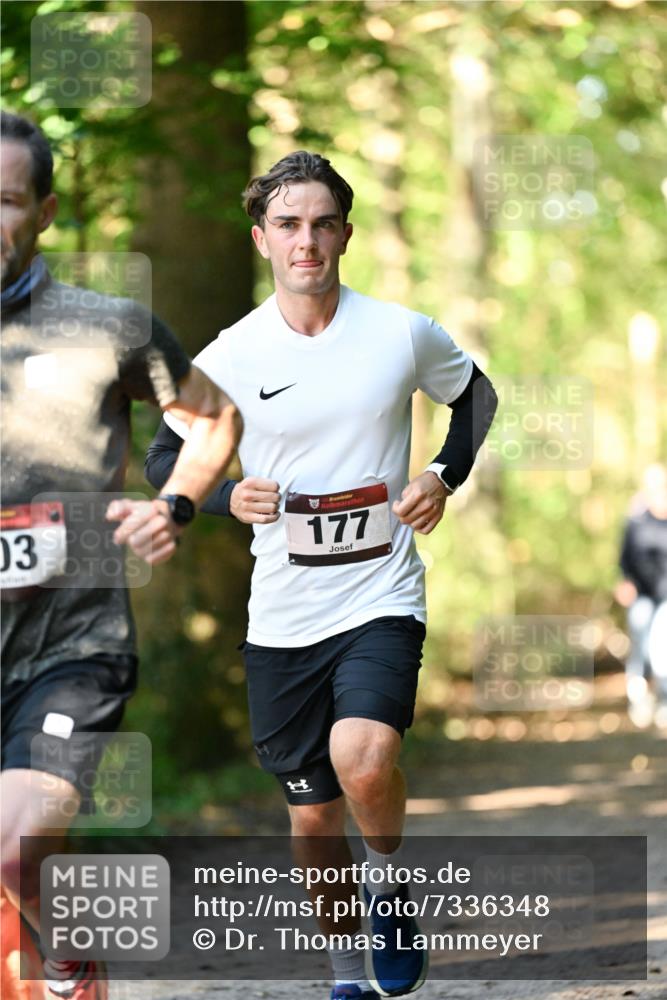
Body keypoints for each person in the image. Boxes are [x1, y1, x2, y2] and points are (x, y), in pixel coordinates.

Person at [146, 150, 497, 999]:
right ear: (262, 237)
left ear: (344, 233)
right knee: (311, 820)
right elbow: (165, 453)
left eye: (323, 223)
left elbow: (475, 396)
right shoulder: (229, 354)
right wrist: (228, 496)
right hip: (283, 616)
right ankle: (346, 977)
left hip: (380, 590)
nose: (307, 240)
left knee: (364, 758)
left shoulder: (400, 332)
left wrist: (439, 476)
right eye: (289, 224)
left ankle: (387, 883)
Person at [0, 110, 242, 1000]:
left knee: (13, 837)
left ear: (47, 211)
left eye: (6, 201)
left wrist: (175, 503)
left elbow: (213, 418)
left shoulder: (107, 327)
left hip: (73, 644)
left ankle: (67, 956)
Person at [615, 463, 667, 729]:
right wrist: (624, 581)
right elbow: (624, 555)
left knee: (661, 648)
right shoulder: (636, 519)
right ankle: (639, 696)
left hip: (665, 596)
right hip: (641, 593)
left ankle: (664, 701)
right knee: (641, 644)